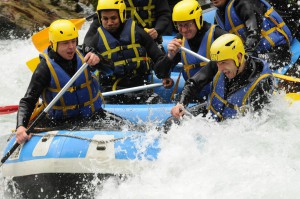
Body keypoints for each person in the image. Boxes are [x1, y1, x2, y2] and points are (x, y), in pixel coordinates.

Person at [16, 19, 127, 144]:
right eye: (65, 43)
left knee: (129, 129)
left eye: (73, 41)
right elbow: (28, 100)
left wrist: (99, 60)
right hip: (61, 123)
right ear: (53, 44)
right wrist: (20, 126)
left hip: (93, 115)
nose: (71, 47)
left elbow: (110, 70)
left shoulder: (85, 53)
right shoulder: (44, 68)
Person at [83, 0, 173, 104]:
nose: (109, 23)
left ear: (121, 15)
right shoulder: (96, 39)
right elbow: (85, 51)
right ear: (100, 18)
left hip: (140, 90)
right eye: (105, 19)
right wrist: (91, 54)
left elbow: (157, 56)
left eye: (113, 18)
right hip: (111, 93)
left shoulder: (137, 32)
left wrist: (165, 73)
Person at [170, 33, 274, 122]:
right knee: (172, 122)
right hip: (212, 114)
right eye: (218, 63)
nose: (219, 69)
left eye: (224, 63)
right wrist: (181, 103)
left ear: (238, 57)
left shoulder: (260, 82)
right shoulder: (220, 61)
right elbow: (194, 83)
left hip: (234, 128)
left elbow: (260, 122)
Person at [155, 0, 228, 102]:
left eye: (187, 25)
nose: (184, 30)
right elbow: (160, 73)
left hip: (219, 97)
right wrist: (169, 56)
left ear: (197, 20)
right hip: (195, 97)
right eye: (180, 25)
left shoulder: (218, 35)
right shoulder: (180, 39)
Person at [211, 0, 293, 70]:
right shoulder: (218, 17)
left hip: (278, 51)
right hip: (254, 54)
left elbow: (254, 33)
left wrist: (244, 57)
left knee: (249, 68)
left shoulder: (244, 3)